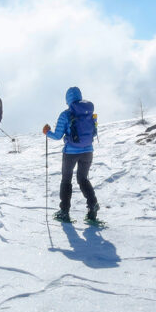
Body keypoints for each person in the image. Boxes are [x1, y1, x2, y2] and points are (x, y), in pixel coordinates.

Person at [43, 86, 99, 222]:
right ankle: (93, 205)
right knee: (83, 179)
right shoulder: (89, 113)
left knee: (66, 180)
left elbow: (57, 136)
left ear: (67, 99)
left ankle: (64, 212)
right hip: (88, 151)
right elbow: (94, 132)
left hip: (71, 153)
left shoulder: (66, 114)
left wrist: (47, 132)